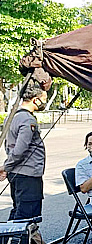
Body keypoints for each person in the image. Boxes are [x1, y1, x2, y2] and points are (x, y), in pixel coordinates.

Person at [0, 85, 47, 220]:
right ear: (35, 100)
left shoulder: (13, 116)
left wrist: (8, 168)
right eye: (43, 99)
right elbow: (20, 150)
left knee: (19, 212)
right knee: (27, 216)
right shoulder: (27, 120)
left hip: (18, 174)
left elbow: (8, 144)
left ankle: (17, 241)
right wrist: (6, 167)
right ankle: (15, 241)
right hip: (28, 175)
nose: (44, 103)